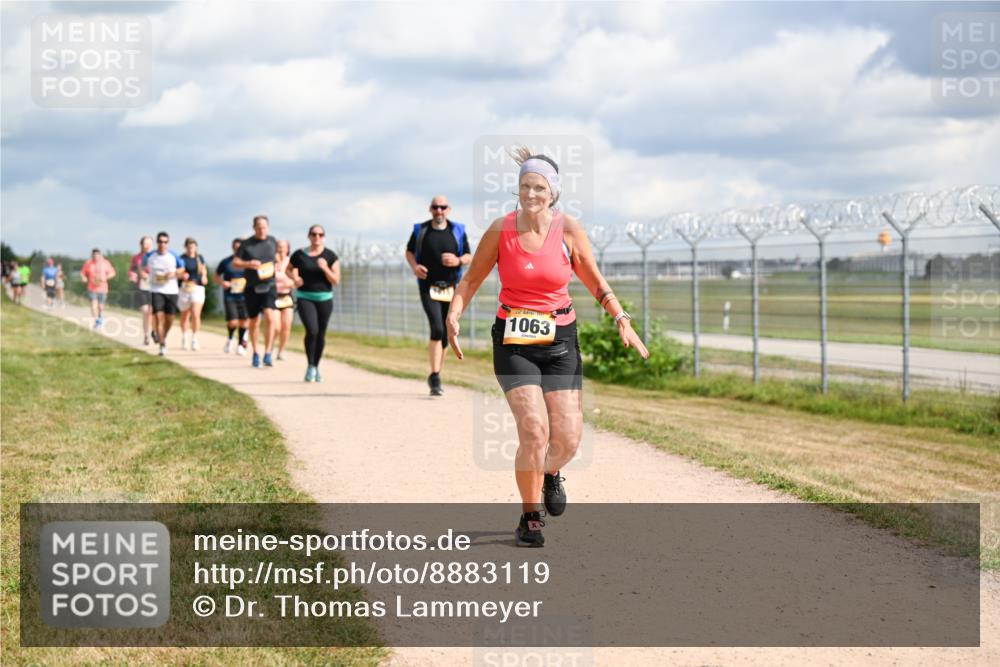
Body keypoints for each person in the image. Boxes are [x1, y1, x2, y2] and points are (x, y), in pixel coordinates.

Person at [446, 148, 648, 547]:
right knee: (534, 430)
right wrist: (453, 313)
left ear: (553, 192)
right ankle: (530, 517)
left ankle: (550, 472)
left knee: (568, 440)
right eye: (524, 186)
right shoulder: (501, 230)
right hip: (514, 341)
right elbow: (470, 281)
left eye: (539, 186)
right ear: (517, 189)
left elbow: (593, 278)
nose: (531, 193)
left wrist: (621, 318)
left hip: (560, 341)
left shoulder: (568, 229)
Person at [404, 195, 472, 396]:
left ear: (448, 209)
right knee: (436, 327)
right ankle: (435, 376)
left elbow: (469, 256)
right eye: (435, 207)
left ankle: (436, 373)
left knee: (445, 332)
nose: (439, 211)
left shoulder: (457, 230)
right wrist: (415, 266)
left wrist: (458, 260)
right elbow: (409, 252)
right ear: (430, 209)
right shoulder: (421, 230)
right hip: (428, 286)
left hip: (451, 288)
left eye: (443, 207)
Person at [289, 224, 340, 382]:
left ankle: (315, 366)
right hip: (305, 296)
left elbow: (336, 280)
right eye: (314, 234)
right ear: (309, 236)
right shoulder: (299, 255)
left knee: (321, 334)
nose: (317, 237)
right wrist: (295, 279)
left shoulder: (330, 256)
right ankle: (310, 365)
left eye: (320, 234)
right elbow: (288, 269)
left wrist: (325, 268)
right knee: (312, 330)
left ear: (324, 236)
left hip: (325, 298)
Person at [232, 215, 279, 368]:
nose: (261, 230)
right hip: (252, 286)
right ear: (254, 228)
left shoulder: (272, 241)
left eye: (264, 227)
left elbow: (278, 257)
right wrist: (249, 263)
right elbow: (236, 262)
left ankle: (267, 353)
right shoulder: (246, 244)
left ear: (268, 227)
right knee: (254, 321)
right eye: (259, 227)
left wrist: (277, 265)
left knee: (270, 317)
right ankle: (255, 353)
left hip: (269, 285)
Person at [142, 232, 183, 356]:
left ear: (168, 243)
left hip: (171, 290)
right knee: (159, 317)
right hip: (156, 290)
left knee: (170, 318)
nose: (162, 244)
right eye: (160, 241)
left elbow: (182, 269)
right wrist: (144, 275)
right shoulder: (150, 256)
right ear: (157, 242)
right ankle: (162, 344)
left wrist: (174, 273)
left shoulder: (173, 256)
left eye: (165, 242)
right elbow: (141, 268)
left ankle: (162, 336)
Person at [214, 238, 249, 356]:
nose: (237, 249)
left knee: (244, 321)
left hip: (245, 296)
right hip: (230, 296)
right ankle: (230, 338)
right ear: (232, 247)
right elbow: (216, 276)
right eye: (236, 247)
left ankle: (240, 345)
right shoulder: (226, 262)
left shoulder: (247, 262)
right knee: (233, 322)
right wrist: (223, 283)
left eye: (240, 248)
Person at [177, 237, 208, 351]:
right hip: (185, 287)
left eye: (193, 247)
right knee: (185, 315)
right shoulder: (181, 259)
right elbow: (177, 273)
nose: (191, 249)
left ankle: (194, 338)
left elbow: (203, 269)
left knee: (195, 314)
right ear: (186, 247)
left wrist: (204, 276)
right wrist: (181, 275)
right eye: (189, 247)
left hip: (197, 287)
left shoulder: (199, 258)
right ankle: (184, 337)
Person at [80, 249, 116, 329]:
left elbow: (112, 273)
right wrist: (84, 278)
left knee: (100, 306)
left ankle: (100, 316)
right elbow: (83, 273)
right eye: (94, 255)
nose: (96, 257)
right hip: (91, 287)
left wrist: (105, 277)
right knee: (93, 304)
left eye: (97, 255)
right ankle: (96, 321)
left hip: (103, 288)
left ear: (100, 255)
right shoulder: (88, 263)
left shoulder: (105, 263)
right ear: (92, 255)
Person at [128, 236, 155, 344]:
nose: (147, 245)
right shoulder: (136, 258)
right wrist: (132, 275)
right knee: (145, 311)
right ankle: (146, 336)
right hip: (142, 287)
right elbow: (132, 270)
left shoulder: (155, 257)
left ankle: (154, 331)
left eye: (149, 243)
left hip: (154, 287)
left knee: (152, 312)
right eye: (145, 243)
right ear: (141, 245)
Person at [273, 239, 296, 361]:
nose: (281, 249)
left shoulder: (291, 263)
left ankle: (281, 351)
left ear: (288, 249)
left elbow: (296, 280)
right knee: (276, 326)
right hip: (274, 297)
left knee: (286, 325)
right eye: (279, 246)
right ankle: (270, 344)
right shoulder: (272, 262)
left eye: (283, 247)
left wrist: (291, 282)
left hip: (286, 297)